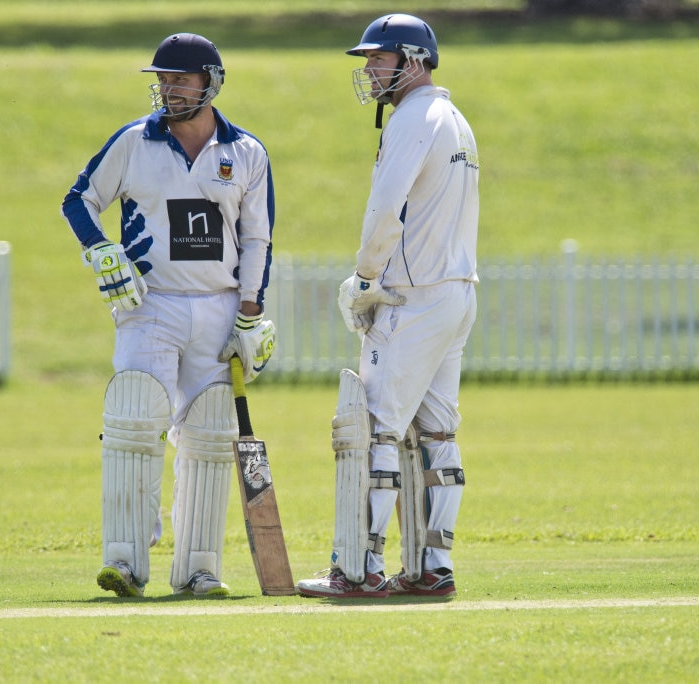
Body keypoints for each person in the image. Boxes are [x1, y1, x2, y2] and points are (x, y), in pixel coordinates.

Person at [60, 33, 276, 598]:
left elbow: (258, 240)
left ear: (210, 82)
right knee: (134, 424)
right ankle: (126, 563)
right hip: (149, 305)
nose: (168, 89)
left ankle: (198, 570)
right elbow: (77, 200)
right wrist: (102, 249)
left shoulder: (247, 152)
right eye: (162, 79)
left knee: (206, 437)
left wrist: (250, 315)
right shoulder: (134, 141)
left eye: (179, 79)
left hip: (218, 308)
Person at [297, 13, 479, 600]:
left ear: (415, 61)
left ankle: (358, 569)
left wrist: (365, 276)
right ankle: (432, 567)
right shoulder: (455, 119)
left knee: (373, 427)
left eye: (379, 59)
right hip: (456, 292)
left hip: (412, 295)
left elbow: (385, 209)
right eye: (368, 60)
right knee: (437, 432)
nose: (370, 70)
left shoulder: (412, 118)